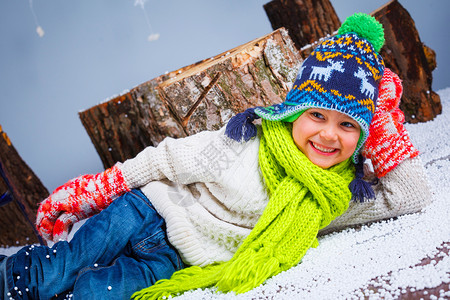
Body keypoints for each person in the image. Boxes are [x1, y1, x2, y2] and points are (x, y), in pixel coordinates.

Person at [0, 13, 431, 300]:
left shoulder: (330, 199)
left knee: (96, 293)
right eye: (316, 114)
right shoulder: (248, 142)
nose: (327, 134)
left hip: (174, 258)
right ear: (292, 111)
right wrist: (99, 189)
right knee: (54, 271)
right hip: (147, 210)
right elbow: (167, 159)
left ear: (363, 134)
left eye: (348, 125)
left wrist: (381, 121)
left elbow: (410, 194)